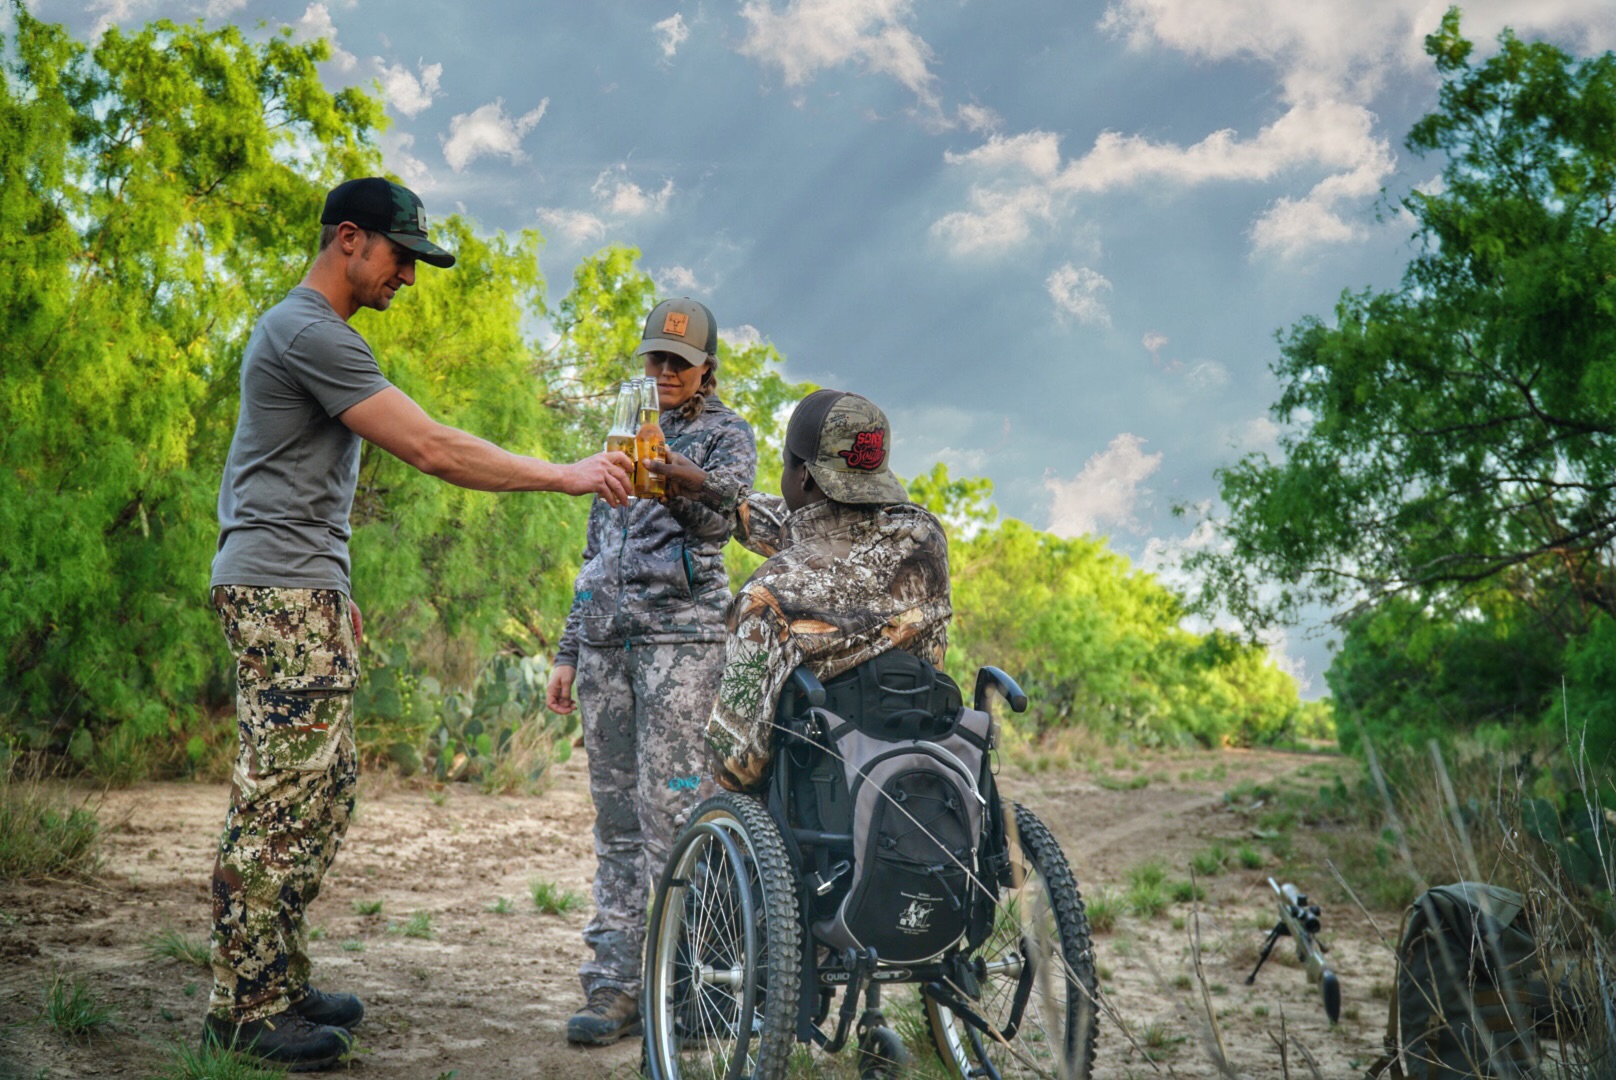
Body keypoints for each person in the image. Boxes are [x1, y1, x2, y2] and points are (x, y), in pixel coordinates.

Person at [205, 176, 634, 1070]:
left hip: (299, 587)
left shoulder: (312, 335)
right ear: (351, 239)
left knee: (322, 794)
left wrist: (330, 582)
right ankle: (243, 1010)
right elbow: (433, 447)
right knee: (282, 799)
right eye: (404, 256)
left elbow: (270, 477)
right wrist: (566, 473)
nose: (410, 276)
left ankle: (276, 979)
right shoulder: (310, 332)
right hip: (283, 590)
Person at [544, 298, 758, 1045]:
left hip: (683, 646)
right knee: (618, 824)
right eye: (655, 359)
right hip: (608, 644)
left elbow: (734, 514)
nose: (664, 372)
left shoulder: (726, 434)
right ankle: (613, 988)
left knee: (678, 820)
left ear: (706, 367)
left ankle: (693, 989)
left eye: (679, 361)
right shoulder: (623, 428)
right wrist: (571, 647)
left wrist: (684, 479)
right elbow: (596, 550)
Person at [649, 388, 951, 793]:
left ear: (804, 474)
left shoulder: (769, 599)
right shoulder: (924, 539)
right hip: (916, 766)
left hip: (822, 797)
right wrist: (706, 487)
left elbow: (737, 767)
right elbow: (814, 532)